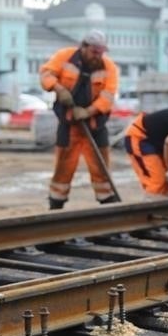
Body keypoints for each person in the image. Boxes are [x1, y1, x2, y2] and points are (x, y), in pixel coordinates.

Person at [40, 30, 119, 209]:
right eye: (94, 52)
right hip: (68, 127)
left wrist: (88, 112)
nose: (98, 56)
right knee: (63, 168)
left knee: (101, 168)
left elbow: (108, 96)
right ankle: (56, 205)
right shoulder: (65, 57)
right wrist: (58, 88)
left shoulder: (109, 67)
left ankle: (108, 204)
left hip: (94, 127)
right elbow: (46, 74)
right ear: (83, 47)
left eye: (101, 52)